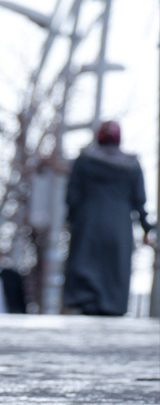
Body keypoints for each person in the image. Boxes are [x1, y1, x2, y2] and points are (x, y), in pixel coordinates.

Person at [62, 121, 154, 316]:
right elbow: (139, 200)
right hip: (119, 224)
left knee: (86, 262)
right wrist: (146, 229)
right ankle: (112, 305)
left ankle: (87, 301)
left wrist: (71, 220)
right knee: (115, 266)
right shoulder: (131, 164)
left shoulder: (85, 159)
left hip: (88, 220)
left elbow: (73, 195)